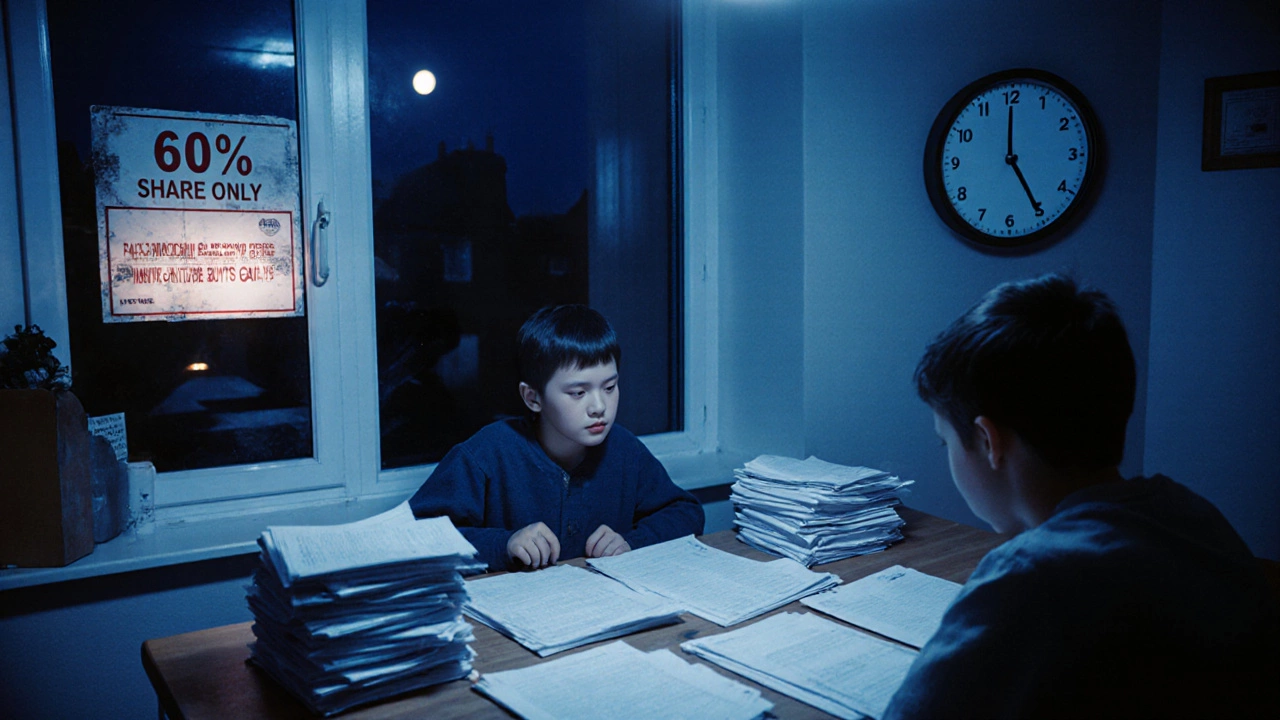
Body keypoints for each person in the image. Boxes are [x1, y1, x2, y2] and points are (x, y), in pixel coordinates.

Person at [883, 273, 1280, 719]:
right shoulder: (1191, 514)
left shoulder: (1030, 576)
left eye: (945, 442)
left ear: (988, 440)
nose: (948, 455)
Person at [409, 304, 704, 572]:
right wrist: (504, 544)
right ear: (533, 398)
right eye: (578, 393)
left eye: (610, 387)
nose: (599, 406)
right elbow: (416, 536)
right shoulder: (486, 454)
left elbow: (686, 512)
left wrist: (631, 542)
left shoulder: (625, 449)